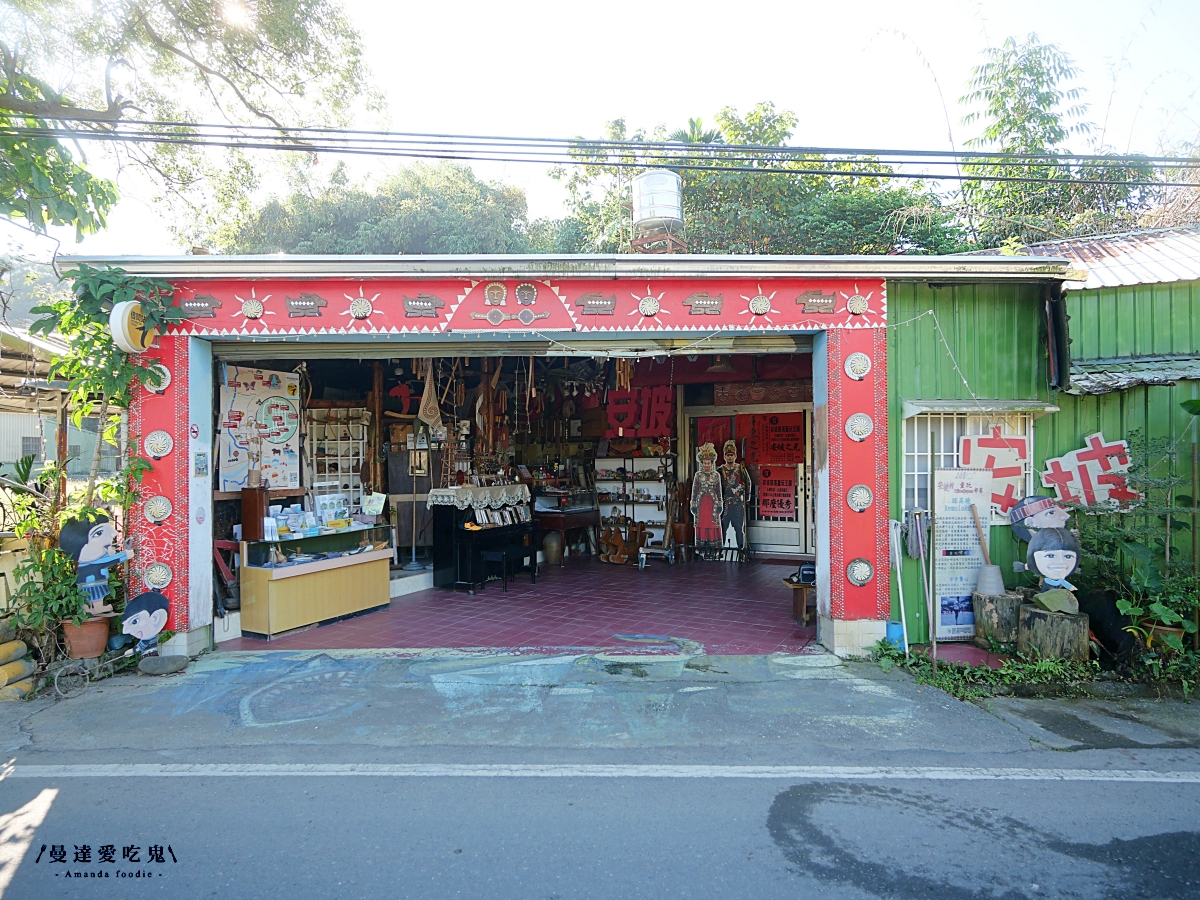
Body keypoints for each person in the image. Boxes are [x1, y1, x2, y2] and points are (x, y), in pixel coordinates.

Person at [59, 513, 132, 616]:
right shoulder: (96, 561)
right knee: (96, 595)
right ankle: (97, 608)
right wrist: (126, 554)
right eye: (98, 533)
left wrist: (109, 551)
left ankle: (88, 609)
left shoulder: (89, 561)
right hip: (93, 580)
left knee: (88, 596)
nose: (113, 534)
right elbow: (110, 560)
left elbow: (106, 557)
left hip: (86, 581)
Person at [690, 443, 724, 559]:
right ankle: (702, 549)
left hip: (712, 503)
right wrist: (693, 503)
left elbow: (719, 490)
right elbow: (694, 490)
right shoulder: (698, 475)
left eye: (708, 463)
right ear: (701, 463)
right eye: (704, 463)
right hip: (701, 503)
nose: (706, 465)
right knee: (702, 523)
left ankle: (714, 549)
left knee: (713, 523)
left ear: (712, 463)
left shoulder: (716, 475)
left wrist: (720, 503)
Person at [718, 439, 751, 555]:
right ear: (724, 456)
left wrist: (746, 498)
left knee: (739, 529)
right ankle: (721, 551)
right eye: (728, 455)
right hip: (725, 504)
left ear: (735, 456)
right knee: (723, 527)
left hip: (737, 504)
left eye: (732, 455)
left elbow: (747, 483)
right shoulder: (720, 470)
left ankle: (741, 551)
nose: (730, 457)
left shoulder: (740, 469)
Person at [122, 591, 170, 657]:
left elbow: (140, 646)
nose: (126, 631)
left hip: (150, 655)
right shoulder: (148, 638)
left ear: (155, 618)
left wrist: (133, 651)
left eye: (135, 621)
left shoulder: (148, 639)